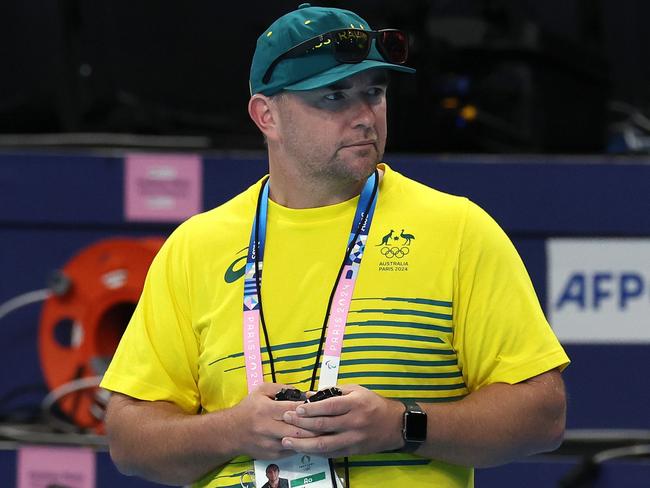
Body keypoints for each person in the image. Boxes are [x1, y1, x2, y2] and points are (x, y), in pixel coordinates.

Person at [101, 3, 570, 488]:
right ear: (267, 115)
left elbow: (542, 415)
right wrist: (233, 431)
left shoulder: (458, 230)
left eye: (374, 92)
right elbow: (129, 440)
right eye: (333, 97)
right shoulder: (195, 247)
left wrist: (399, 424)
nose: (365, 115)